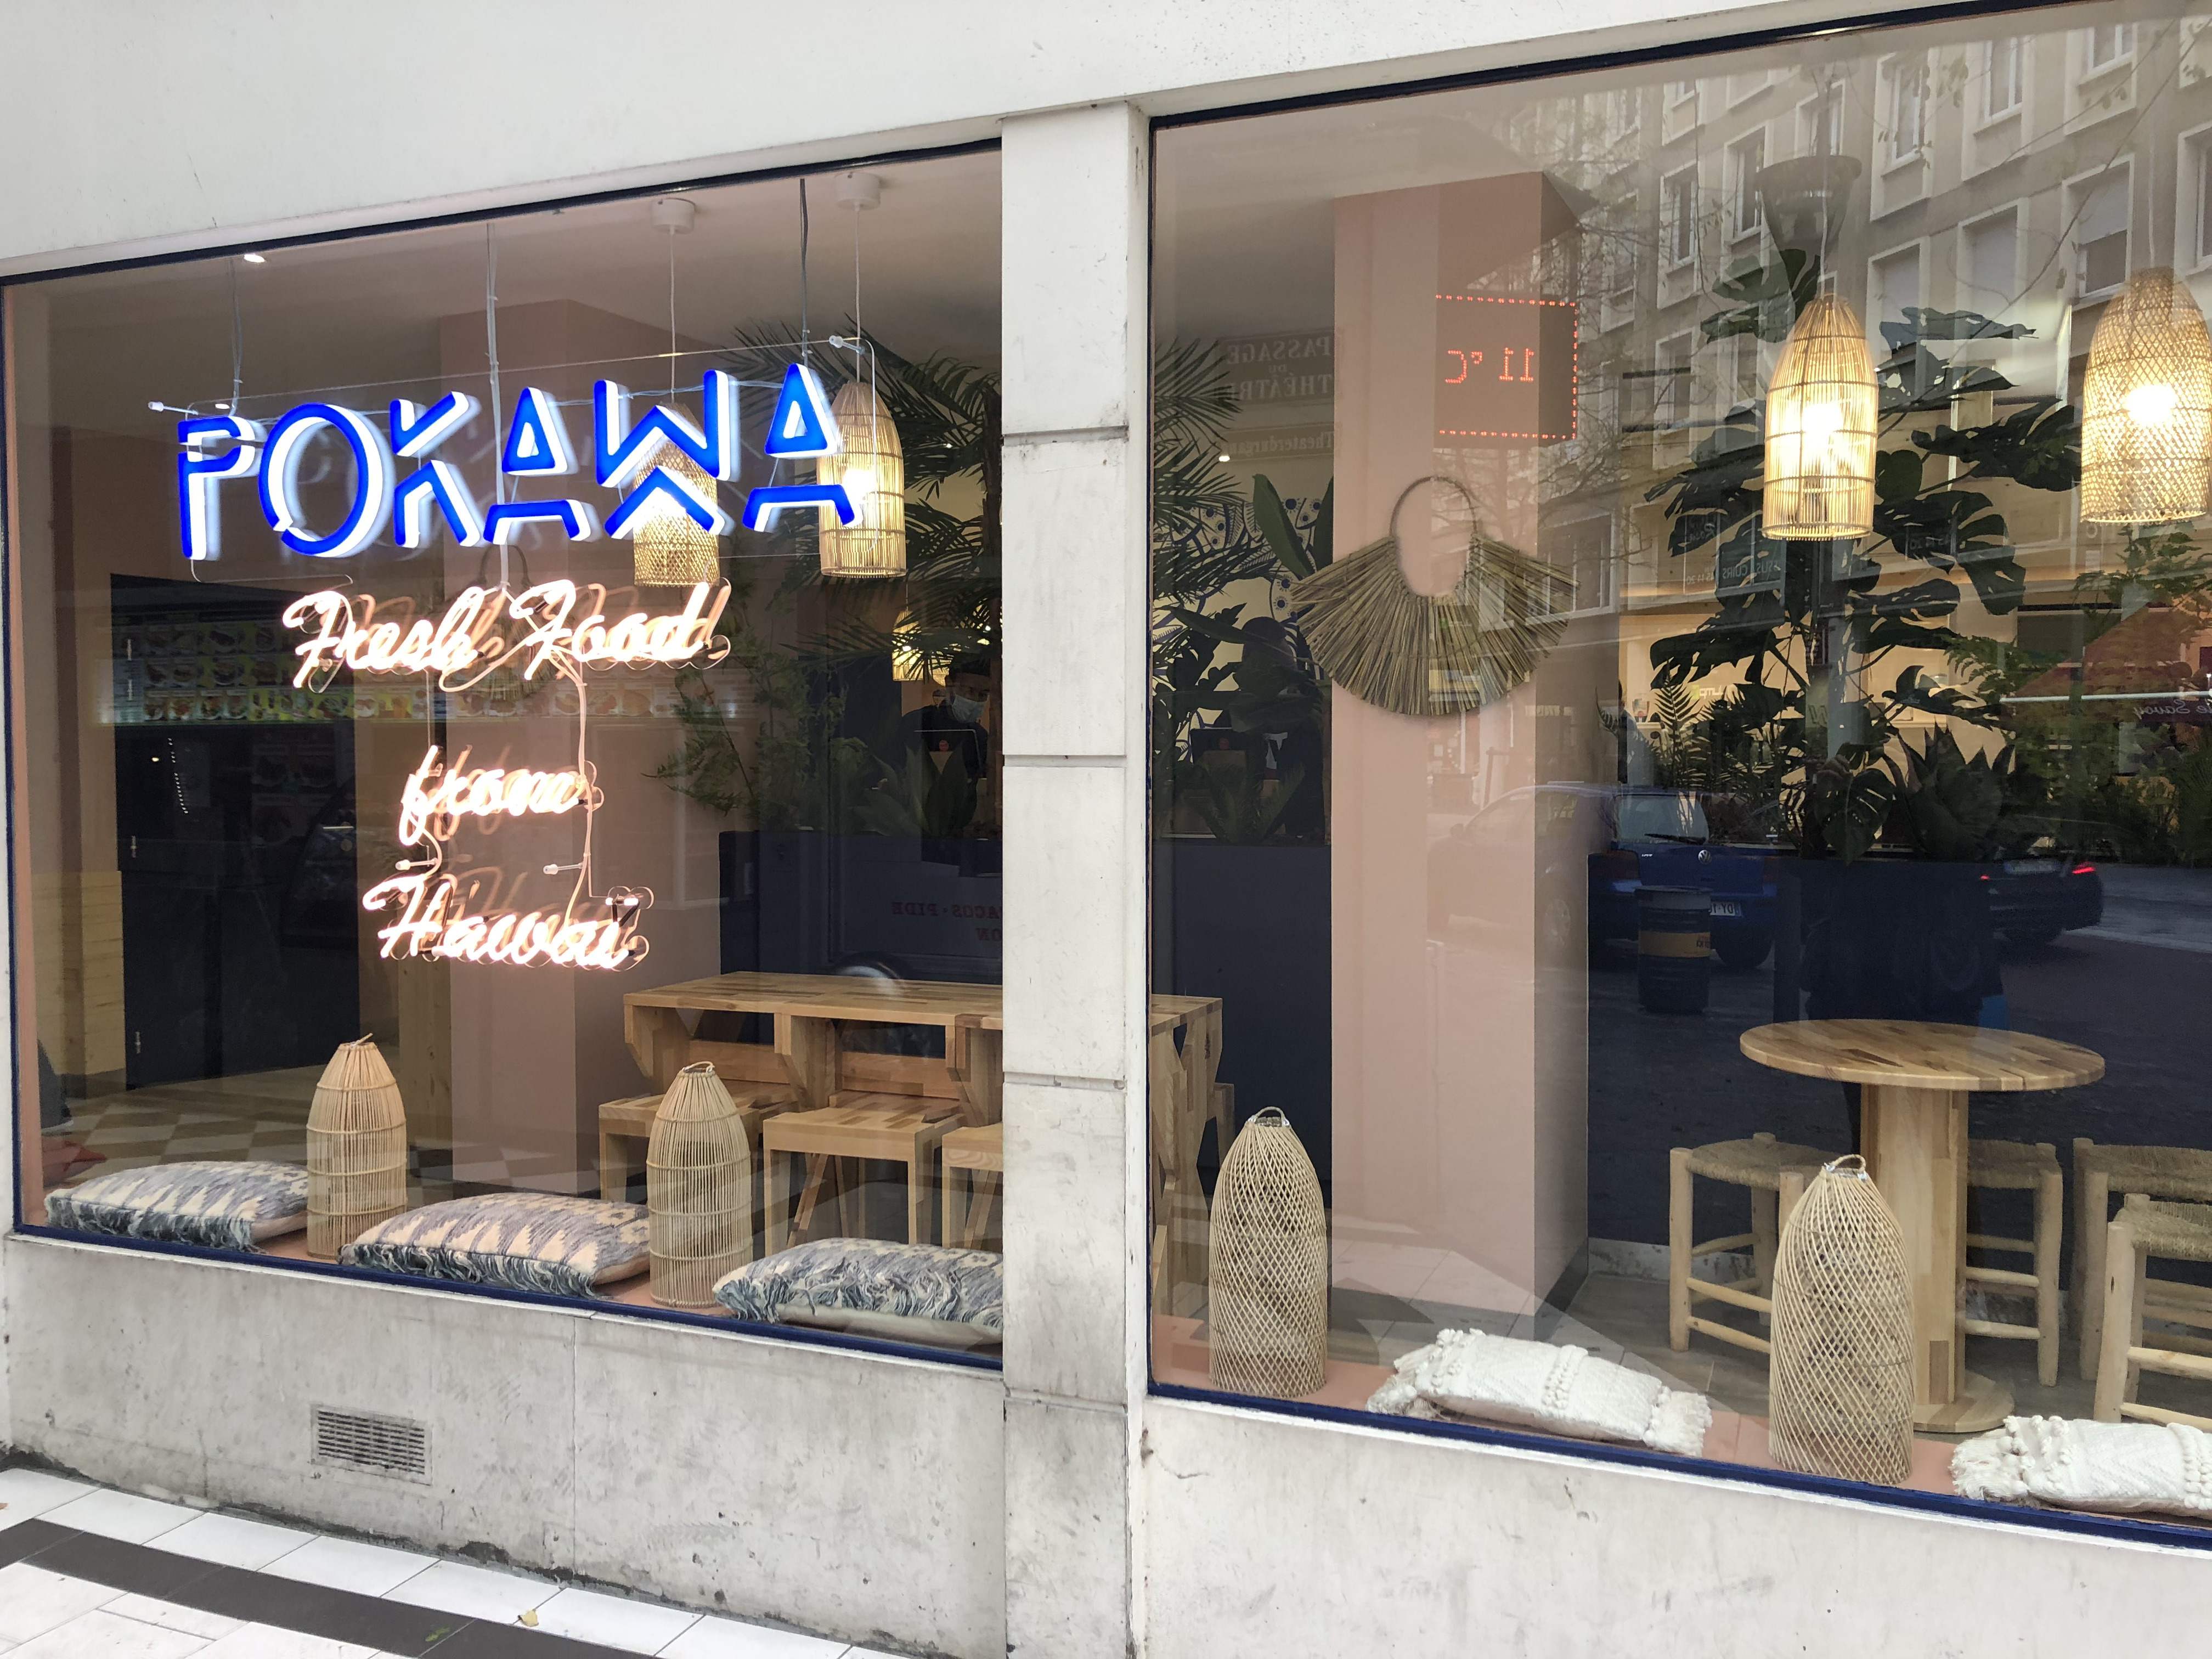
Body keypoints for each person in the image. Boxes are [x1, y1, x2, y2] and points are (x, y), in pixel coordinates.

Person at [899, 653, 994, 784]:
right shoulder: (917, 723)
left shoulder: (979, 736)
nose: (975, 700)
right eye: (970, 691)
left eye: (983, 695)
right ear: (949, 683)